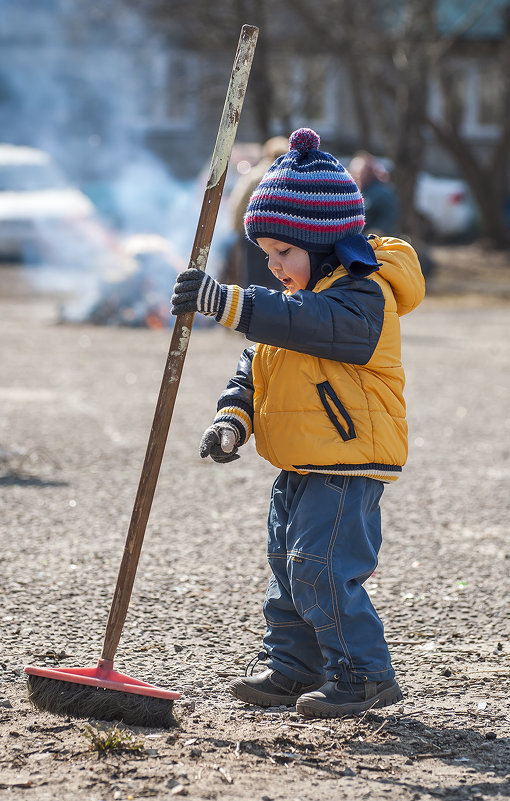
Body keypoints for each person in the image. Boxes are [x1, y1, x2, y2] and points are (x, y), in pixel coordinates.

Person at [171, 128, 425, 718]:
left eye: (284, 252)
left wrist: (227, 302)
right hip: (300, 459)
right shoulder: (292, 304)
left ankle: (364, 675)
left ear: (324, 241)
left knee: (322, 568)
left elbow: (306, 323)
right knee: (287, 569)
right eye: (266, 255)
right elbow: (256, 366)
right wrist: (232, 419)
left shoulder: (361, 298)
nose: (275, 266)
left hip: (348, 461)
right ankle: (292, 668)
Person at [226, 136, 288, 290]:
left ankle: (251, 309)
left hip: (253, 236)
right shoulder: (290, 176)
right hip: (281, 236)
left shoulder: (255, 175)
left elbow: (239, 202)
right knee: (277, 278)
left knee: (251, 278)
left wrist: (236, 229)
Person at [348, 151, 400, 235]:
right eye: (354, 172)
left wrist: (374, 234)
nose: (356, 176)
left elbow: (388, 219)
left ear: (369, 172)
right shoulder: (352, 193)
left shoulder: (382, 193)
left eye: (360, 172)